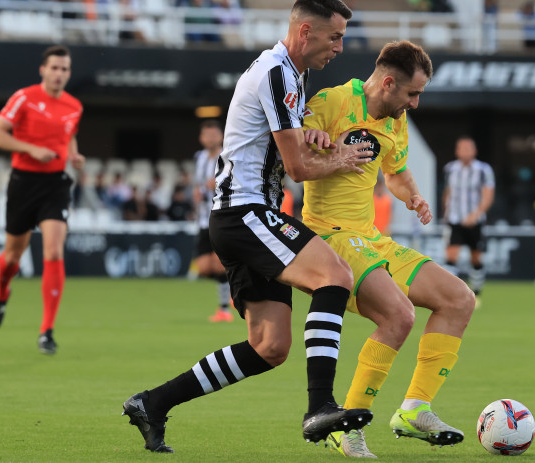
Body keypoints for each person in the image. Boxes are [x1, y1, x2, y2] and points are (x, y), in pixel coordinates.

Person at [121, 0, 375, 454]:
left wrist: (311, 135)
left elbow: (286, 146)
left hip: (242, 215)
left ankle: (152, 404)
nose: (339, 47)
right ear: (304, 31)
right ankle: (321, 405)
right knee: (334, 276)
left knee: (269, 346)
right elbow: (297, 168)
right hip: (247, 212)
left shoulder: (291, 73)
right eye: (334, 37)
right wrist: (339, 157)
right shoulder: (277, 73)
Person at [301, 40, 475, 458]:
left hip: (369, 236)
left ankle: (415, 409)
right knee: (399, 315)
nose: (415, 103)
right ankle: (347, 425)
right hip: (328, 238)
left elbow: (393, 170)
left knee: (458, 300)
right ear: (389, 82)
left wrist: (412, 195)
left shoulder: (394, 121)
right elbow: (288, 155)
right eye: (412, 94)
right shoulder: (332, 102)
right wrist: (311, 139)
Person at [0, 45, 85, 355]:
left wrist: (73, 154)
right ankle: (2, 293)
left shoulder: (73, 106)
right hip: (23, 183)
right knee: (13, 257)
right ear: (42, 70)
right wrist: (30, 148)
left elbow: (68, 133)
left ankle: (47, 331)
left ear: (69, 73)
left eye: (64, 69)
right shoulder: (24, 97)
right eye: (54, 68)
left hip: (55, 184)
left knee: (54, 249)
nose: (59, 74)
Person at [442, 135, 495, 304]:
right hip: (455, 219)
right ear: (456, 151)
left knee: (476, 258)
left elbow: (488, 195)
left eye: (468, 148)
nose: (464, 151)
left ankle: (477, 292)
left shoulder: (483, 170)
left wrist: (476, 214)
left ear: (474, 151)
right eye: (461, 148)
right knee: (451, 256)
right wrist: (446, 212)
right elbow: (448, 192)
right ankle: (452, 294)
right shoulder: (450, 168)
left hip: (475, 221)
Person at [191, 119, 233, 322]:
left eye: (213, 134)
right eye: (206, 135)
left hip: (220, 216)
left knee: (218, 265)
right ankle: (235, 285)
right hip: (201, 220)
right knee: (204, 268)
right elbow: (197, 184)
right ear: (201, 138)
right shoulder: (199, 158)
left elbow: (235, 182)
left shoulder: (227, 156)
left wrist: (218, 184)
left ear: (221, 136)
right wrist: (196, 195)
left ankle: (224, 309)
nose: (210, 138)